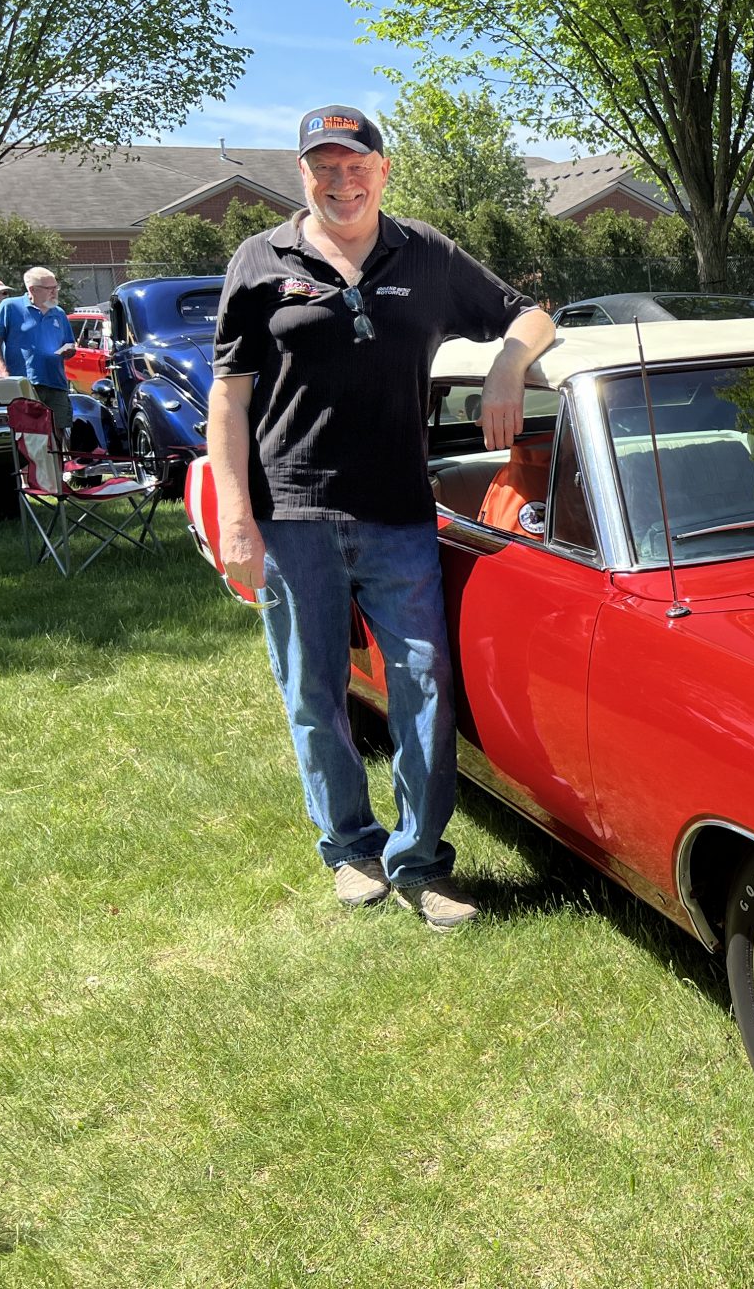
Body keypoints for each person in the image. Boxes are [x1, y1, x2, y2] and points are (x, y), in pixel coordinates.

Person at [208, 105, 555, 931]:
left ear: (382, 169)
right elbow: (229, 398)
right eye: (323, 165)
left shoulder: (425, 254)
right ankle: (350, 848)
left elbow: (533, 312)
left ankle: (423, 861)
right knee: (315, 691)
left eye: (355, 162)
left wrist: (509, 364)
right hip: (291, 513)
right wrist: (235, 513)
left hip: (400, 514)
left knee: (425, 688)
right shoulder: (259, 262)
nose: (341, 179)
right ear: (303, 174)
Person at [0, 267, 77, 434]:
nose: (54, 292)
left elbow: (69, 343)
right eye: (49, 288)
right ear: (32, 290)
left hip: (56, 383)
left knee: (59, 434)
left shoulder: (58, 313)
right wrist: (3, 371)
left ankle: (60, 461)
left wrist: (69, 351)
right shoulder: (10, 307)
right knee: (29, 436)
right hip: (24, 384)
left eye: (55, 287)